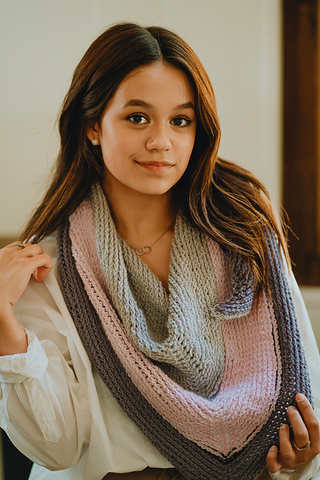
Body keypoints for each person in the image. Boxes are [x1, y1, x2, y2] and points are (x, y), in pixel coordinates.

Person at [0, 22, 319, 480]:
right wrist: (3, 321)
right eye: (137, 117)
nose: (161, 142)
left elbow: (305, 387)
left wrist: (300, 460)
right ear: (92, 125)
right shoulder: (50, 264)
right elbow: (58, 447)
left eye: (181, 120)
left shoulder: (243, 230)